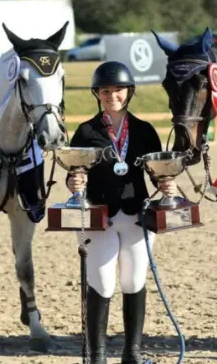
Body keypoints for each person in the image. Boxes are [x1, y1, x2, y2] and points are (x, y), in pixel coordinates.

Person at [66, 61, 177, 364]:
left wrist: (164, 182)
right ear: (97, 93)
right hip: (99, 217)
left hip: (136, 217)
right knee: (102, 282)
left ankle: (133, 354)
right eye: (105, 90)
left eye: (118, 89)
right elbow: (73, 170)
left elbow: (156, 170)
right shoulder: (87, 131)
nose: (112, 95)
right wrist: (74, 180)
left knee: (134, 281)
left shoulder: (143, 130)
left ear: (129, 92)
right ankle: (97, 356)